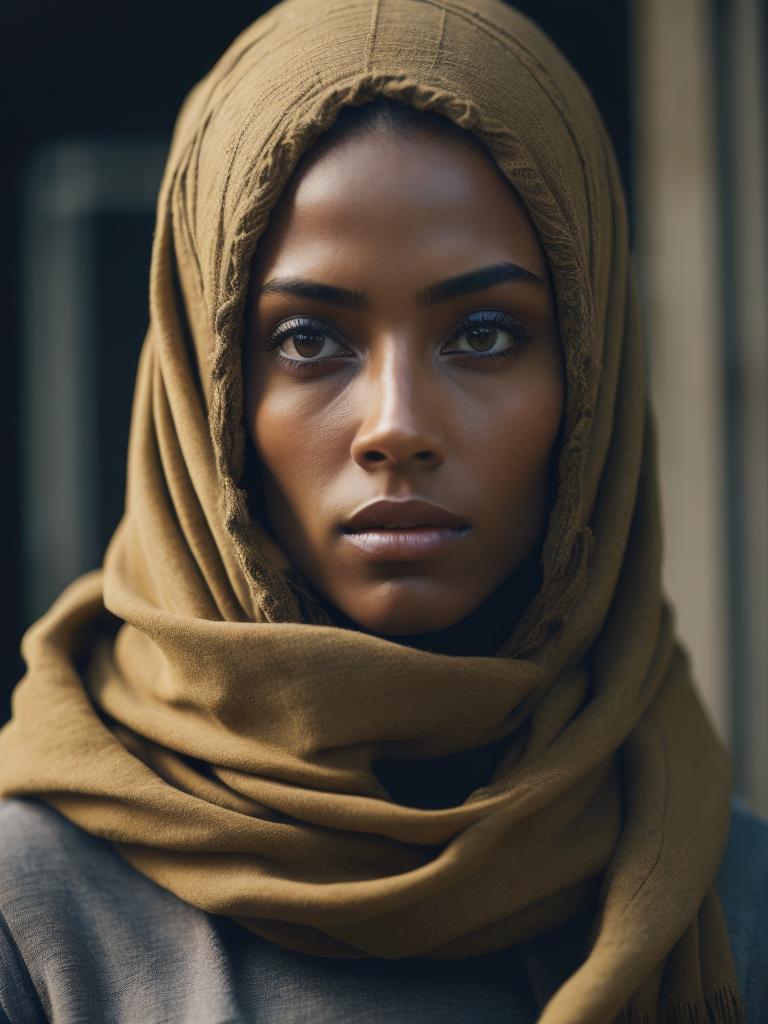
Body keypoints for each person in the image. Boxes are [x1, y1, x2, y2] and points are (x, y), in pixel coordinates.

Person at [1, 0, 766, 1021]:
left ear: (592, 375)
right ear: (201, 390)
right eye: (308, 340)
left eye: (484, 333)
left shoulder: (733, 901)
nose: (396, 427)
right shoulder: (32, 913)